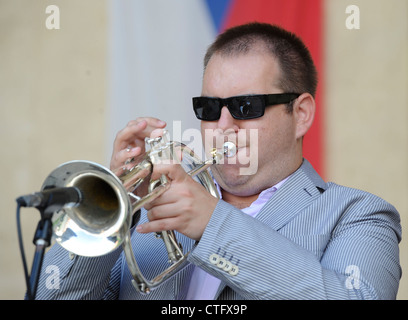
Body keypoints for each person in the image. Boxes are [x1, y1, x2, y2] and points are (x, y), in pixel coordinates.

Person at [34, 22, 401, 300]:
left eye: (245, 107)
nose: (222, 126)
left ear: (301, 114)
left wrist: (214, 224)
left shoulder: (357, 214)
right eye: (209, 108)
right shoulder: (148, 217)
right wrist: (112, 211)